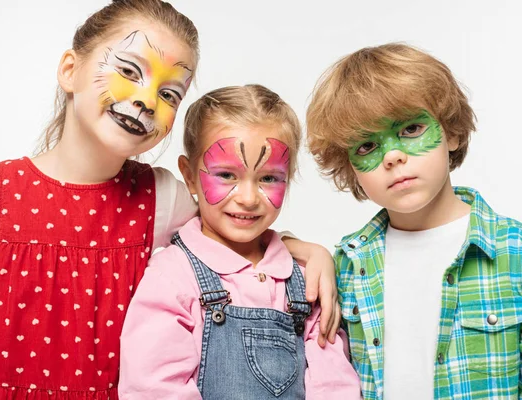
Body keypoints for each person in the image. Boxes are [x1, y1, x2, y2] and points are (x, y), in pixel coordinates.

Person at [0, 1, 338, 398]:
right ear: (70, 69)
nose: (146, 99)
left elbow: (236, 224)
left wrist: (305, 250)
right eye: (128, 70)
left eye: (171, 93)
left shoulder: (164, 197)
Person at [306, 42, 522, 399]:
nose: (392, 156)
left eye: (410, 130)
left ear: (451, 132)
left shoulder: (513, 253)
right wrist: (300, 246)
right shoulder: (345, 266)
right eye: (367, 147)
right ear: (351, 169)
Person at [119, 85, 361, 399]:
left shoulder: (305, 279)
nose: (248, 199)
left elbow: (335, 384)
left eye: (269, 178)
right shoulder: (173, 276)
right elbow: (154, 388)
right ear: (190, 175)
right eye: (227, 175)